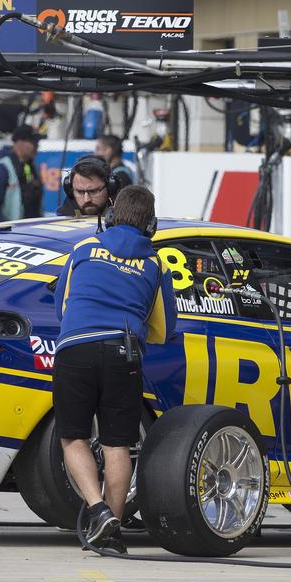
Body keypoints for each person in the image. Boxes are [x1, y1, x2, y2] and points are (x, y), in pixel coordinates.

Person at [52, 186, 176, 553]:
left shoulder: (82, 250)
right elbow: (164, 330)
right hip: (123, 350)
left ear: (109, 216)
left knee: (73, 437)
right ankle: (113, 533)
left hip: (76, 347)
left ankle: (98, 508)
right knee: (117, 444)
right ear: (150, 225)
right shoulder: (154, 264)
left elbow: (63, 307)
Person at [0, 124, 43, 222]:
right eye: (33, 142)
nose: (37, 146)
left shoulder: (32, 166)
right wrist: (7, 230)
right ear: (19, 143)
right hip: (13, 235)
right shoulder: (3, 168)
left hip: (32, 232)